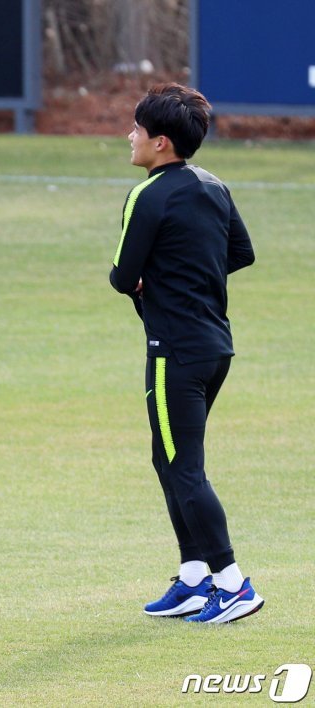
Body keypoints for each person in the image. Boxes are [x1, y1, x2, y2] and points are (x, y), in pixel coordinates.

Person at [109, 83, 263, 624]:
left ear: (161, 144)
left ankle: (233, 583)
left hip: (173, 352)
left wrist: (165, 282)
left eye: (137, 130)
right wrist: (190, 275)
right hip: (215, 348)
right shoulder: (213, 186)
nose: (130, 137)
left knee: (183, 467)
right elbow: (241, 252)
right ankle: (195, 579)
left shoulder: (147, 195)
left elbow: (122, 276)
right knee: (169, 460)